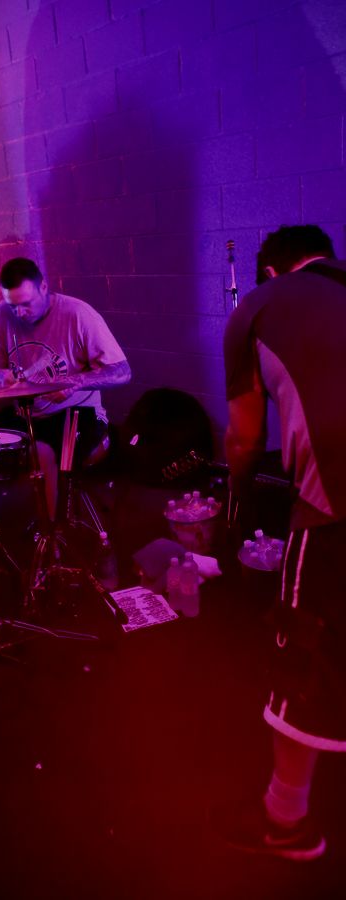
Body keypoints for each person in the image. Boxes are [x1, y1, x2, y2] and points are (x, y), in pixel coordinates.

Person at [218, 225, 346, 860]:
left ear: (270, 270)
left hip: (333, 509)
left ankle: (285, 821)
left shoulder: (258, 305)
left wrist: (235, 499)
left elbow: (246, 439)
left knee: (304, 655)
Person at [0, 257, 131, 519]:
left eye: (26, 304)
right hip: (27, 415)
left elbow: (122, 372)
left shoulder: (78, 314)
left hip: (77, 413)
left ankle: (53, 532)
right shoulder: (2, 314)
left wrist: (75, 383)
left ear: (43, 287)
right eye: (13, 306)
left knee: (44, 454)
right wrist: (3, 377)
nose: (19, 313)